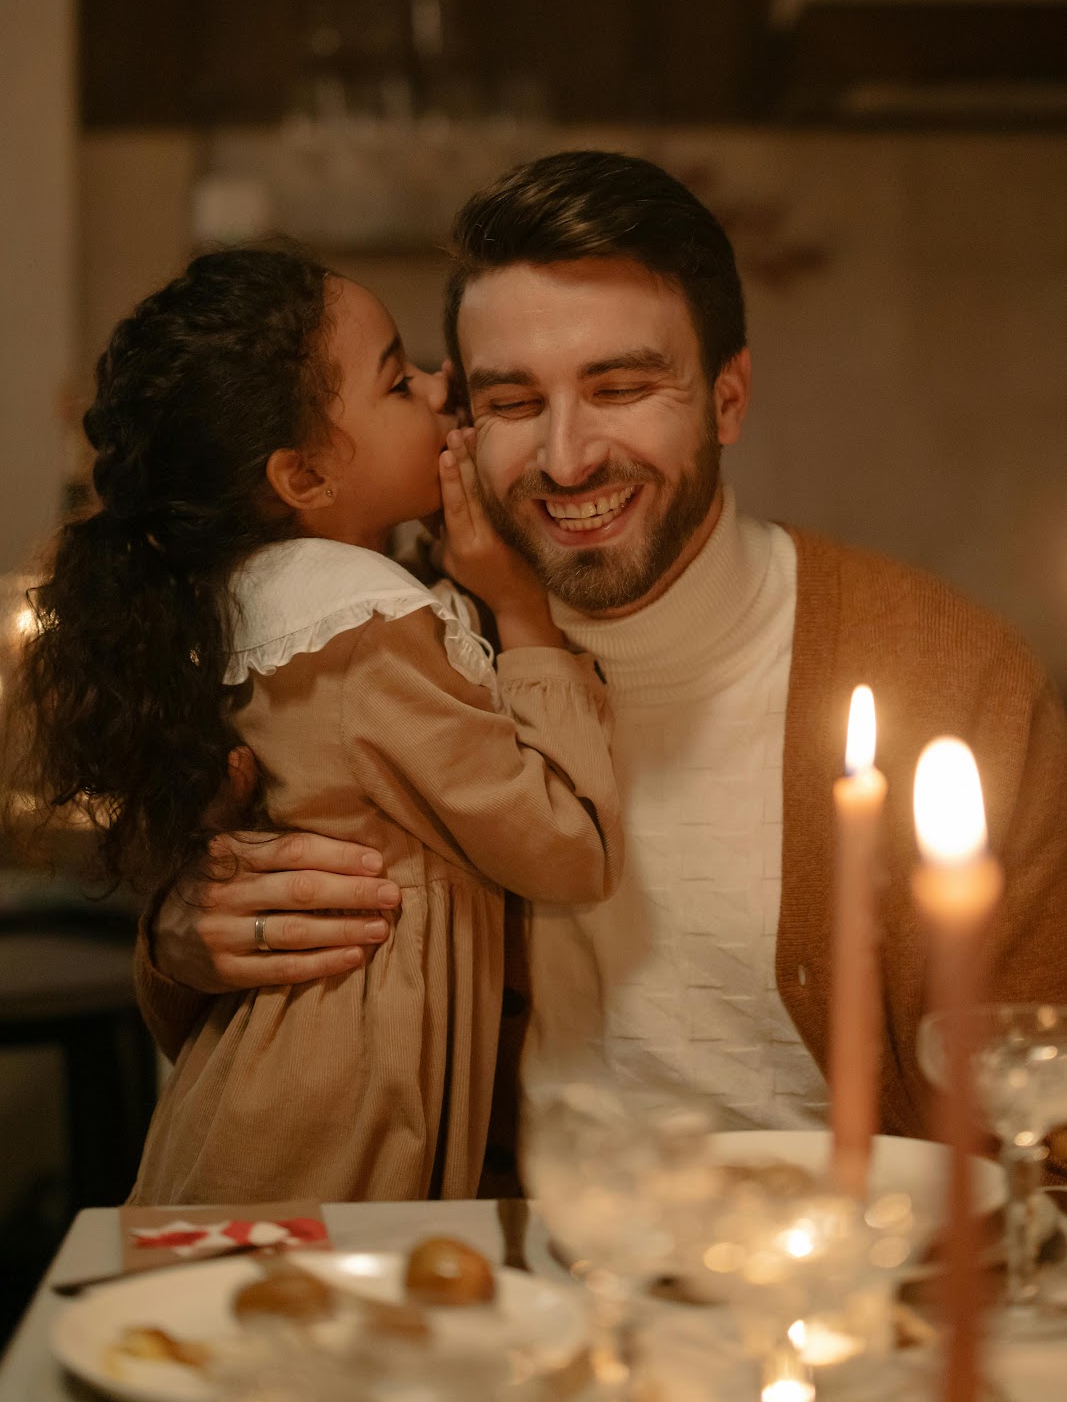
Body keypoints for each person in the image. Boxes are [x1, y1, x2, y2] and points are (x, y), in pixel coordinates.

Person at [136, 153, 1067, 1166]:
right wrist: (178, 942)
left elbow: (1036, 1095)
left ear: (725, 399)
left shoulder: (941, 673)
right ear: (459, 422)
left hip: (832, 1289)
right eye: (512, 402)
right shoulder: (390, 658)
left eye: (621, 387)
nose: (568, 459)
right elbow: (251, 1020)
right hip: (495, 1289)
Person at [10, 244, 622, 1203]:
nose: (439, 386)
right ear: (300, 477)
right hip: (333, 1116)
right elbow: (566, 846)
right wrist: (529, 623)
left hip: (289, 1084)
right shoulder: (363, 625)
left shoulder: (278, 604)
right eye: (396, 379)